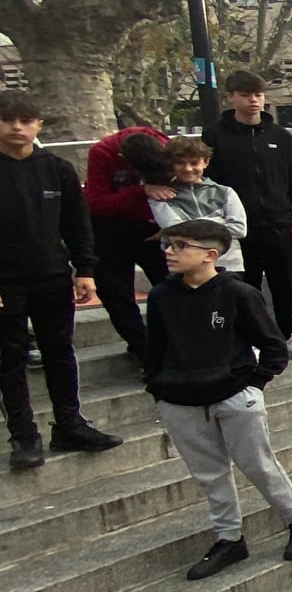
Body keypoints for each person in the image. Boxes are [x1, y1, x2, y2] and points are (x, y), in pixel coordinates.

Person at [143, 219, 292, 580]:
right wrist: (159, 387)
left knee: (258, 464)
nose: (169, 252)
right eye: (168, 245)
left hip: (235, 396)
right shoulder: (162, 295)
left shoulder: (238, 294)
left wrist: (253, 387)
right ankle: (229, 539)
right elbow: (154, 348)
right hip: (180, 400)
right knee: (209, 474)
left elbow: (273, 345)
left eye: (179, 246)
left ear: (210, 255)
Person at [0, 91, 121, 469]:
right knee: (10, 357)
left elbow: (77, 223)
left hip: (53, 274)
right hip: (6, 281)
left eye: (25, 119)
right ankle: (23, 435)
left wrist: (85, 269)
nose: (17, 127)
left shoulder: (57, 168)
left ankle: (69, 424)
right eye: (7, 119)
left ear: (38, 124)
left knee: (60, 351)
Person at [206, 70, 292, 358]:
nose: (253, 101)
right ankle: (251, 336)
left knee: (284, 284)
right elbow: (210, 181)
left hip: (278, 224)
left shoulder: (280, 136)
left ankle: (291, 335)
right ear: (231, 97)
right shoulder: (215, 135)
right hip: (238, 227)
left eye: (258, 95)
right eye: (246, 95)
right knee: (245, 285)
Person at [84, 124, 173, 365]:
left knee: (172, 284)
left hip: (156, 225)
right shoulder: (103, 152)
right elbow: (97, 202)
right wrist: (142, 191)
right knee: (116, 292)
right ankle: (142, 349)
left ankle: (175, 342)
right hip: (111, 228)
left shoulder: (167, 147)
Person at [150, 137, 248, 274]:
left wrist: (190, 228)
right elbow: (175, 230)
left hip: (229, 266)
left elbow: (240, 229)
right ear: (171, 164)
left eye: (194, 163)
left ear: (206, 162)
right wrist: (219, 222)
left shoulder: (225, 192)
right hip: (186, 269)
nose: (188, 169)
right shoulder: (161, 196)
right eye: (180, 163)